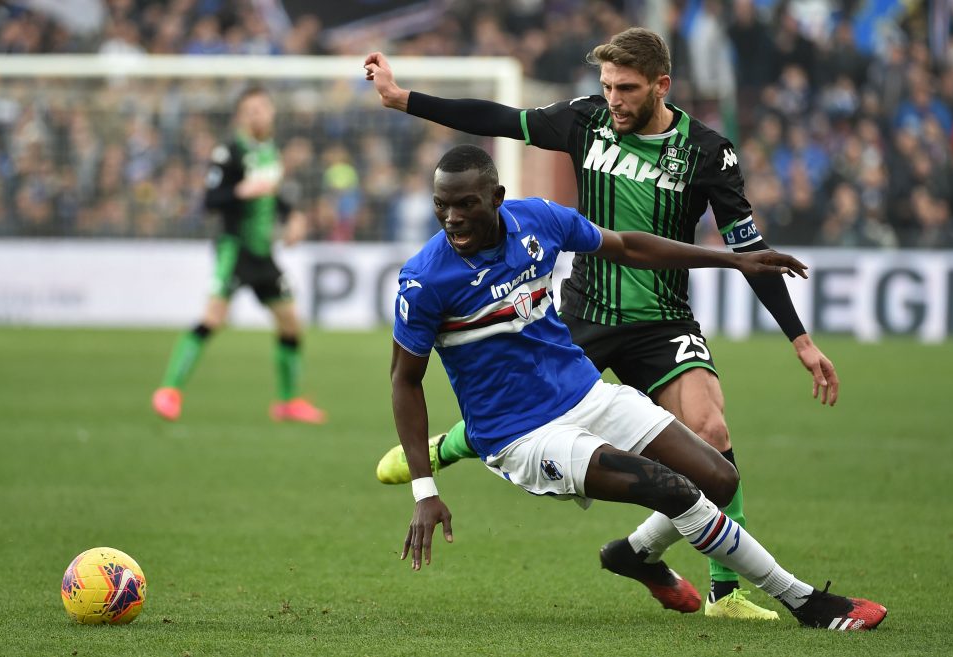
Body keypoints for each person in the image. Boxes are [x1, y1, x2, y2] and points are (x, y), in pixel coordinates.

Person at [366, 27, 839, 619]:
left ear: (661, 86)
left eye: (627, 88)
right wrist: (405, 98)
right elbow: (498, 118)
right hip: (585, 313)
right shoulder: (582, 121)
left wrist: (799, 338)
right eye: (608, 86)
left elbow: (747, 248)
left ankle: (723, 592)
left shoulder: (708, 153)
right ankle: (457, 442)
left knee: (713, 438)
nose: (614, 98)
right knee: (532, 400)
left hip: (662, 318)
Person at [390, 144, 885, 632]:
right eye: (442, 205)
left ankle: (634, 554)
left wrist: (735, 261)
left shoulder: (537, 220)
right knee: (669, 490)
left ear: (496, 197)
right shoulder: (425, 280)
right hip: (521, 436)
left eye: (465, 204)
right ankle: (807, 603)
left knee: (719, 479)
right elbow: (404, 381)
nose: (451, 218)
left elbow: (627, 246)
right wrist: (423, 491)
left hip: (586, 395)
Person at [151, 86, 326, 424]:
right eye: (250, 110)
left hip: (262, 252)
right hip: (235, 247)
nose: (257, 114)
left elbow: (272, 195)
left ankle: (288, 402)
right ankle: (169, 390)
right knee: (214, 317)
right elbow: (210, 200)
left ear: (272, 112)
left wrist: (293, 217)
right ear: (241, 116)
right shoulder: (229, 151)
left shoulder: (270, 151)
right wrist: (239, 190)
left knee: (290, 321)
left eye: (262, 108)